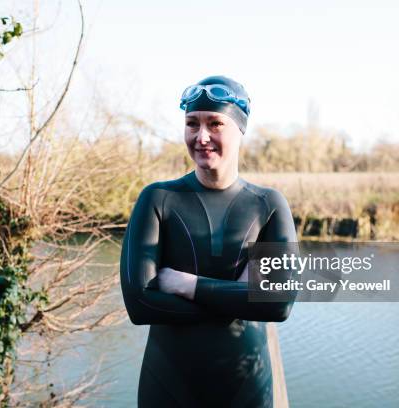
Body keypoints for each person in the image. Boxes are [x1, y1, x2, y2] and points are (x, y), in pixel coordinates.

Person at [120, 75, 298, 407]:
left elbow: (278, 304)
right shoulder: (158, 199)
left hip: (246, 387)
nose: (201, 137)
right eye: (192, 124)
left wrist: (186, 284)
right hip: (169, 385)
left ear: (240, 129)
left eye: (215, 123)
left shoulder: (268, 205)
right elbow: (139, 304)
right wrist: (240, 298)